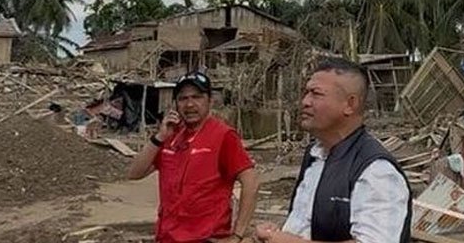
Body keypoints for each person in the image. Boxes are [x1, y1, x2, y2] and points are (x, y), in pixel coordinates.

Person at [255, 58, 411, 243]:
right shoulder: (315, 156)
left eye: (316, 94)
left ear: (349, 104)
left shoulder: (376, 171)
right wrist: (279, 232)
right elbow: (308, 225)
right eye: (306, 93)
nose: (305, 101)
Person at [128, 71, 259, 243]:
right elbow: (135, 173)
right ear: (176, 104)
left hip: (206, 238)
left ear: (210, 101)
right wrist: (159, 137)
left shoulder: (223, 135)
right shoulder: (171, 136)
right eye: (183, 99)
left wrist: (237, 235)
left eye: (197, 97)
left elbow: (251, 182)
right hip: (166, 237)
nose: (189, 104)